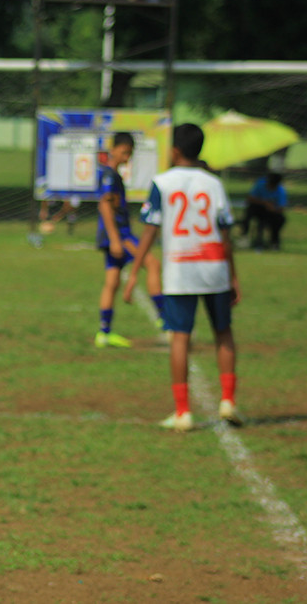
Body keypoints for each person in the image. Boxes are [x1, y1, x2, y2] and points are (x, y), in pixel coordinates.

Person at [124, 123, 242, 432]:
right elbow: (226, 233)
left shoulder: (162, 183)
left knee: (180, 337)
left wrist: (135, 270)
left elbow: (150, 229)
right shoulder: (214, 184)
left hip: (180, 268)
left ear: (175, 150)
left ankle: (183, 412)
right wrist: (234, 276)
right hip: (215, 266)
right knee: (223, 332)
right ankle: (228, 400)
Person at [95, 131, 165, 347]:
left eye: (130, 153)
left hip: (115, 236)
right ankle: (165, 319)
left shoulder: (113, 175)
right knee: (153, 264)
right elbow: (104, 205)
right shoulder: (110, 176)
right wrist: (116, 239)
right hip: (120, 236)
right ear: (113, 149)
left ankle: (104, 334)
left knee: (112, 282)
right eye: (124, 152)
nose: (127, 157)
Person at [242, 171, 288, 250]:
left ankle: (274, 242)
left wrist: (273, 209)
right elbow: (250, 199)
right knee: (249, 212)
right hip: (258, 209)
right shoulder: (260, 185)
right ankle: (244, 236)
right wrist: (265, 203)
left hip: (271, 212)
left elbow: (281, 208)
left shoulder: (280, 191)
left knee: (279, 219)